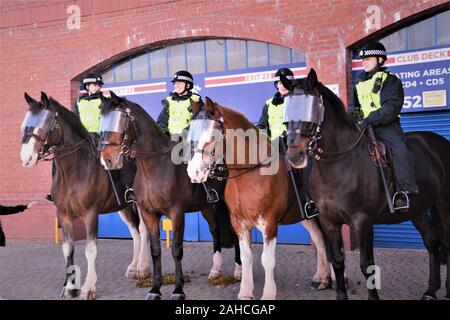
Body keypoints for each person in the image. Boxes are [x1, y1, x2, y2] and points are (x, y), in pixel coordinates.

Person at [45, 72, 136, 203]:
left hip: (101, 136)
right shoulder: (79, 102)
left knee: (117, 156)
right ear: (87, 86)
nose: (96, 87)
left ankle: (128, 188)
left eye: (98, 85)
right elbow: (75, 121)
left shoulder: (106, 101)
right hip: (82, 138)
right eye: (94, 85)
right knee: (58, 155)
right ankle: (56, 189)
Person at [349, 41, 419, 211]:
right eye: (362, 60)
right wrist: (353, 119)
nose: (364, 62)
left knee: (400, 151)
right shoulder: (358, 82)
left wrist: (369, 119)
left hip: (386, 126)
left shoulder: (390, 80)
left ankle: (405, 191)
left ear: (380, 59)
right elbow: (355, 107)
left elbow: (391, 108)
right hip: (364, 126)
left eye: (368, 59)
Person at [257, 68, 318, 218]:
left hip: (293, 142)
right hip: (273, 145)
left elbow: (300, 123)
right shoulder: (268, 104)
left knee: (305, 166)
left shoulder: (297, 100)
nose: (281, 85)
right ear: (276, 85)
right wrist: (264, 141)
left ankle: (309, 201)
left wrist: (285, 137)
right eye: (278, 83)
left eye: (284, 82)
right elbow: (262, 125)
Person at [157, 70, 220, 204]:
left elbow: (199, 121)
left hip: (188, 139)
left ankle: (209, 190)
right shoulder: (169, 101)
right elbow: (161, 121)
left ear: (188, 85)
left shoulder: (196, 100)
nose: (176, 86)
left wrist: (183, 135)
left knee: (196, 160)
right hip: (170, 139)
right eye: (175, 83)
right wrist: (166, 135)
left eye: (179, 83)